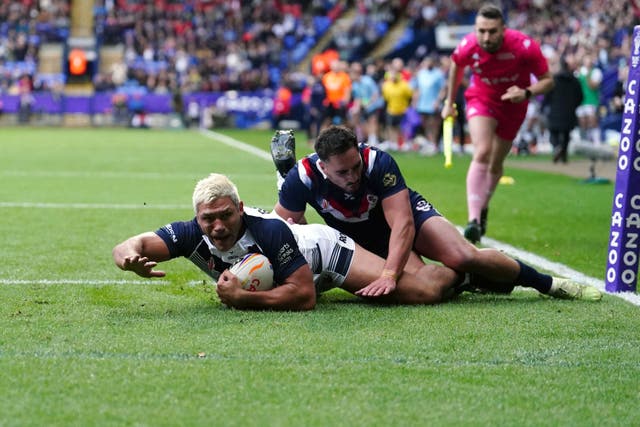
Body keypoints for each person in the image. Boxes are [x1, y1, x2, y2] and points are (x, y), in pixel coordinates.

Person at [272, 125, 601, 301]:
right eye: (343, 173)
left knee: (462, 254)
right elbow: (285, 229)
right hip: (363, 239)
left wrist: (389, 274)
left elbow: (401, 223)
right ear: (323, 166)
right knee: (425, 290)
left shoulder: (378, 163)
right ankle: (467, 280)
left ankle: (549, 285)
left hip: (404, 219)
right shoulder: (301, 179)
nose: (353, 176)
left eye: (355, 166)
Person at [113, 173, 464, 311]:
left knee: (422, 293)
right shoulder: (191, 233)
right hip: (293, 267)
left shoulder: (268, 230)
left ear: (240, 208)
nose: (217, 226)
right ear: (197, 217)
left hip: (322, 253)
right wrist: (128, 258)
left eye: (226, 215)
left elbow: (305, 296)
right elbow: (132, 245)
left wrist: (243, 300)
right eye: (208, 219)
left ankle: (461, 271)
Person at [441, 3, 554, 244]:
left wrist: (525, 92)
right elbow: (456, 66)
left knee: (496, 163)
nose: (486, 37)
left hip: (514, 105)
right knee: (482, 150)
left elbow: (547, 81)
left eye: (492, 31)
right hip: (481, 100)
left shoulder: (524, 46)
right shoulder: (468, 45)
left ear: (503, 29)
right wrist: (449, 102)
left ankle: (482, 207)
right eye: (481, 30)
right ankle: (473, 220)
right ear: (475, 28)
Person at [542, 56, 583, 163]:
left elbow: (547, 95)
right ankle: (563, 155)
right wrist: (573, 106)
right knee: (566, 135)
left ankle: (556, 147)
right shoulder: (575, 81)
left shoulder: (554, 79)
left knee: (553, 132)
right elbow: (580, 96)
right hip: (569, 112)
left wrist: (545, 106)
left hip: (555, 111)